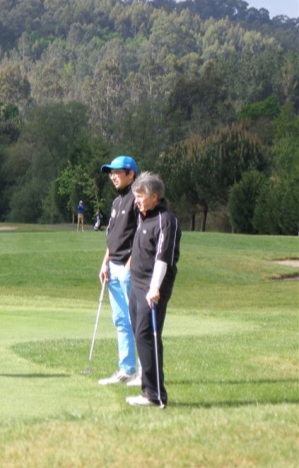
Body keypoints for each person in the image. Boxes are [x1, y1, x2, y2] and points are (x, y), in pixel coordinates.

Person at [125, 172, 181, 408]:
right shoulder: (144, 215)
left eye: (140, 196)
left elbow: (163, 258)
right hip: (137, 284)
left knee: (148, 336)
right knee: (140, 335)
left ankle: (155, 394)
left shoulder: (166, 221)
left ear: (154, 196)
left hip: (152, 287)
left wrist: (155, 287)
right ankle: (147, 389)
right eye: (135, 195)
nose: (136, 200)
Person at [98, 156, 141, 386]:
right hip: (113, 267)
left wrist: (130, 264)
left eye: (117, 172)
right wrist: (105, 262)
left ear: (131, 174)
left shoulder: (137, 199)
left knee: (137, 320)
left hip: (128, 267)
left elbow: (141, 236)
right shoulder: (117, 202)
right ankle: (127, 368)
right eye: (110, 172)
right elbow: (111, 237)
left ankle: (144, 373)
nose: (113, 176)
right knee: (121, 320)